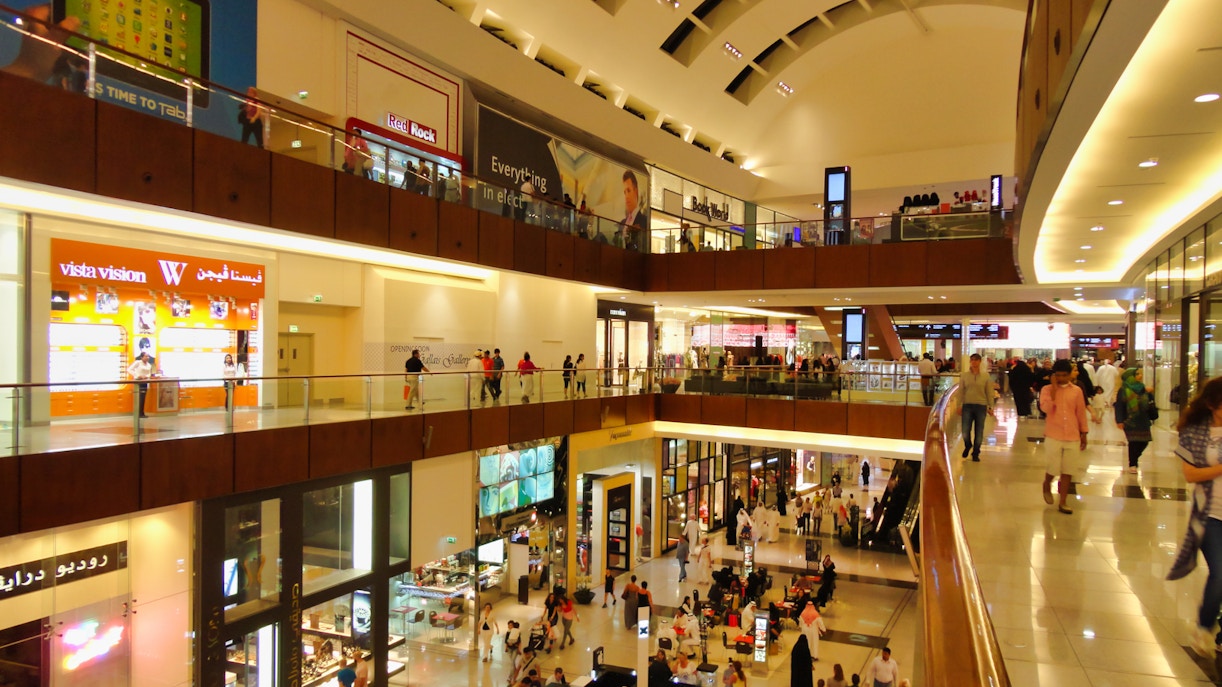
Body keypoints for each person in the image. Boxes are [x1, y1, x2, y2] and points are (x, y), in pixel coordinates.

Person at [1167, 378, 1222, 656]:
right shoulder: (1195, 432)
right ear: (1212, 405)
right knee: (1220, 573)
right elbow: (1191, 475)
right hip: (1211, 513)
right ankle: (1203, 628)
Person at [1041, 359, 1088, 515]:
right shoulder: (1047, 390)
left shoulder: (1076, 391)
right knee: (1053, 467)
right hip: (1053, 434)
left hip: (1072, 435)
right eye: (1058, 375)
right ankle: (1047, 483)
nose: (1061, 378)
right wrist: (1054, 388)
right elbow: (1046, 409)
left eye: (1064, 375)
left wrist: (1084, 432)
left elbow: (1080, 412)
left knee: (1068, 469)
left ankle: (1063, 501)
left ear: (1069, 375)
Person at [1114, 367, 1156, 474]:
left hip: (1143, 419)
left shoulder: (1143, 388)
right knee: (1133, 442)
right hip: (1130, 420)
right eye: (1137, 374)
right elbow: (1119, 406)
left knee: (1144, 442)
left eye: (1140, 374)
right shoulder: (1123, 390)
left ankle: (1134, 459)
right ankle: (1133, 463)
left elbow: (1149, 402)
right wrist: (1119, 420)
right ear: (1130, 377)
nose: (1140, 376)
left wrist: (1150, 394)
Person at [955, 353, 994, 462]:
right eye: (972, 360)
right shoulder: (964, 375)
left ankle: (976, 452)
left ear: (980, 361)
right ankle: (968, 445)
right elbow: (961, 391)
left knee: (979, 431)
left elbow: (989, 392)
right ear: (970, 362)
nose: (974, 362)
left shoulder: (985, 376)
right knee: (965, 431)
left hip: (981, 406)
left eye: (976, 360)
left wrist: (991, 406)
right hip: (967, 405)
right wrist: (959, 405)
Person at [620, 170, 648, 249]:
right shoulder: (622, 223)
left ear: (636, 191)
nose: (626, 196)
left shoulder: (644, 220)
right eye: (625, 192)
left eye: (629, 190)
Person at [127, 351, 153, 418]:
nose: (147, 358)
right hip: (138, 381)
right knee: (139, 397)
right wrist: (138, 375)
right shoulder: (137, 363)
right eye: (146, 356)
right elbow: (129, 369)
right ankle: (137, 413)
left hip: (145, 381)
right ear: (142, 357)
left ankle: (142, 413)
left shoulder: (149, 365)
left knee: (143, 398)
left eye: (148, 356)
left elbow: (149, 373)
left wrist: (146, 376)